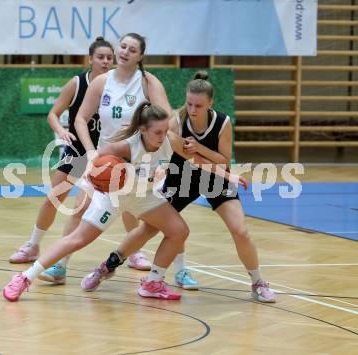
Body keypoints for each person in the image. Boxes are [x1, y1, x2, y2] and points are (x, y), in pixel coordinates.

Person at [2, 102, 247, 302]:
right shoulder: (125, 147)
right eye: (158, 132)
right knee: (78, 239)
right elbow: (96, 163)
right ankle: (25, 277)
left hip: (144, 194)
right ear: (143, 130)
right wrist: (95, 174)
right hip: (115, 196)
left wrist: (230, 175)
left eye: (165, 131)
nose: (163, 136)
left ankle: (152, 282)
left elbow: (198, 160)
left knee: (179, 231)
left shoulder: (170, 140)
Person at [81, 71, 276, 303]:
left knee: (240, 230)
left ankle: (257, 282)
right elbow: (151, 143)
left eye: (199, 105)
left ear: (210, 103)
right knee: (150, 228)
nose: (193, 110)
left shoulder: (222, 123)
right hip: (180, 176)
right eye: (189, 103)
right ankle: (108, 266)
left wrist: (199, 148)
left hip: (213, 176)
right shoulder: (175, 121)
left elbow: (223, 160)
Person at [36, 32, 173, 283]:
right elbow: (80, 118)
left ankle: (146, 261)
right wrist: (90, 153)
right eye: (122, 46)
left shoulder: (147, 82)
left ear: (141, 56)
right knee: (81, 208)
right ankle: (60, 266)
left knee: (149, 217)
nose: (124, 52)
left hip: (139, 161)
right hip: (107, 158)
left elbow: (168, 119)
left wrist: (164, 162)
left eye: (132, 49)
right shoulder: (102, 82)